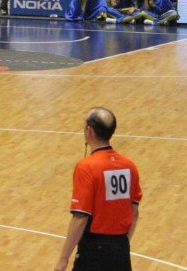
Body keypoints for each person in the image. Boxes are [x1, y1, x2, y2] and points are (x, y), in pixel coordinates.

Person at [54, 108, 142, 271]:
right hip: (121, 249)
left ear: (89, 131)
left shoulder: (87, 167)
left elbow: (80, 218)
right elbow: (134, 212)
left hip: (93, 251)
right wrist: (121, 243)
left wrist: (63, 259)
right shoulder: (130, 166)